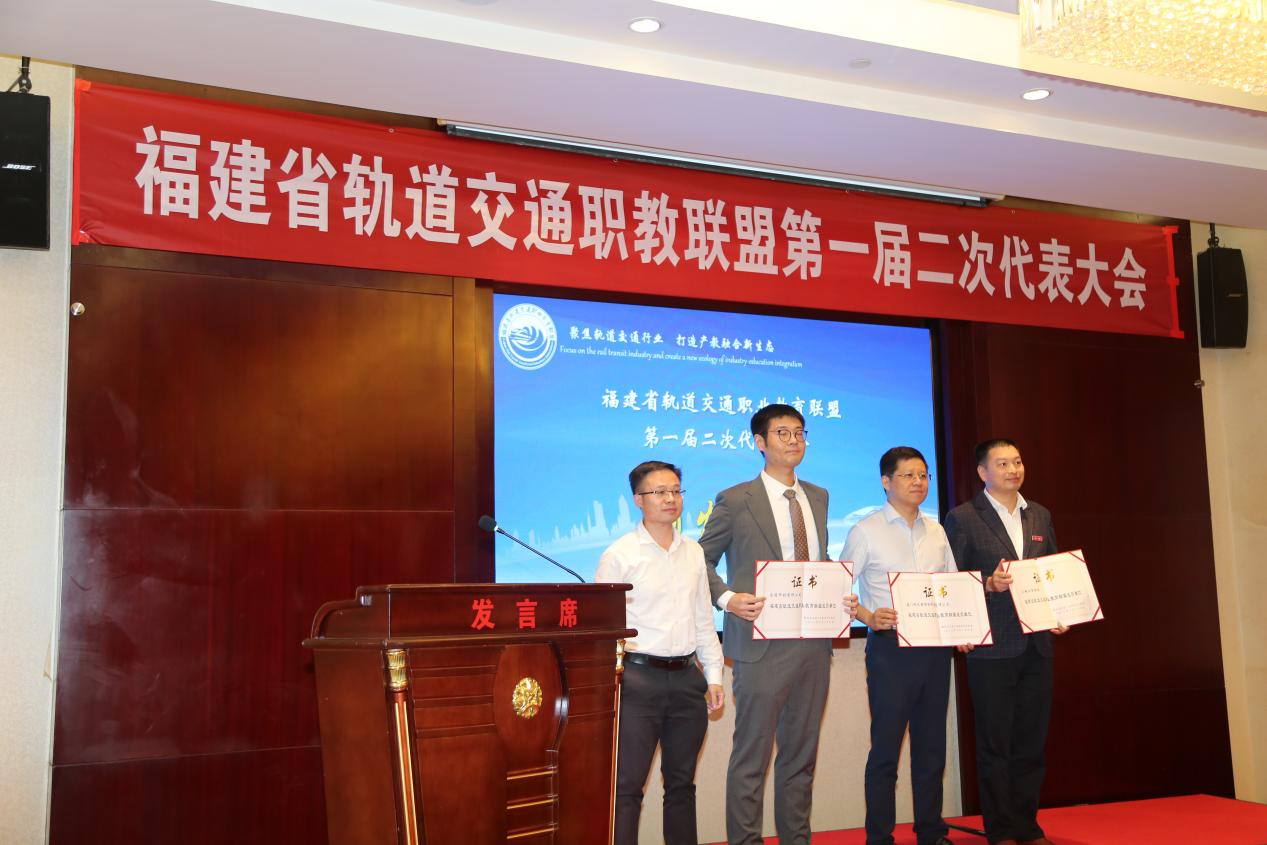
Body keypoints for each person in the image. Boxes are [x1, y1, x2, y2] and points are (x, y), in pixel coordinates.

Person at [699, 403, 857, 845]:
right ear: (759, 442)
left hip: (813, 642)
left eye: (799, 432)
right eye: (782, 433)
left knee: (801, 758)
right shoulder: (735, 499)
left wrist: (839, 592)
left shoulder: (819, 496)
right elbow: (700, 561)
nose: (793, 440)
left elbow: (818, 560)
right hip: (760, 644)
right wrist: (728, 599)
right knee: (751, 759)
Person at [597, 460, 725, 845]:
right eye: (659, 492)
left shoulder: (692, 552)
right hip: (637, 680)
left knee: (682, 784)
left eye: (675, 491)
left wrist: (714, 675)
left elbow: (703, 617)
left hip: (686, 679)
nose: (670, 498)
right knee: (627, 786)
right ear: (638, 500)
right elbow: (603, 628)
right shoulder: (620, 555)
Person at [944, 439, 1064, 845]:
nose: (1013, 470)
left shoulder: (1040, 514)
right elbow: (953, 582)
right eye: (1002, 463)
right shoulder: (963, 517)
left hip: (1037, 644)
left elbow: (1051, 570)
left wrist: (1060, 612)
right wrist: (987, 584)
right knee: (995, 743)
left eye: (1017, 461)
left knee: (1031, 742)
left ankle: (1027, 825)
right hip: (992, 647)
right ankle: (1000, 830)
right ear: (983, 472)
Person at [844, 447, 960, 845]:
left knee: (931, 747)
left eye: (923, 475)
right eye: (908, 475)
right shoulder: (866, 530)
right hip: (891, 650)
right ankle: (879, 837)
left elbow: (953, 586)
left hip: (935, 647)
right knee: (886, 750)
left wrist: (964, 629)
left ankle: (932, 832)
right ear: (886, 481)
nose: (918, 482)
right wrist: (868, 616)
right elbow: (837, 588)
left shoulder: (937, 530)